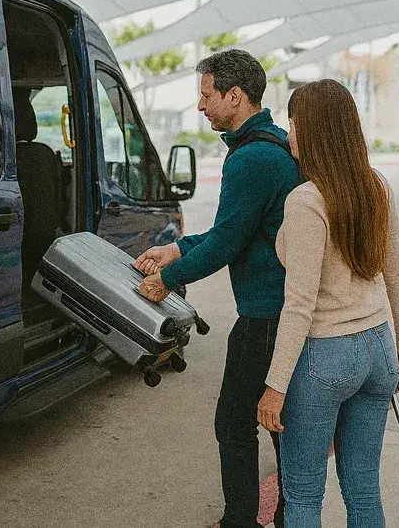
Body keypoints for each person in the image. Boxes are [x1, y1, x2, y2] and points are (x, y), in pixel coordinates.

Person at [134, 49, 301, 528]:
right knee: (277, 423)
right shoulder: (274, 146)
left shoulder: (250, 160)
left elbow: (229, 242)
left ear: (236, 95)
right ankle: (291, 515)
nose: (201, 106)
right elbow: (238, 229)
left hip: (266, 315)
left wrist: (164, 281)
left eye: (207, 95)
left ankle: (243, 521)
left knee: (236, 422)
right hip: (283, 310)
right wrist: (179, 250)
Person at [256, 79, 399, 528]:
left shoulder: (307, 200)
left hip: (325, 356)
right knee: (364, 489)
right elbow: (398, 274)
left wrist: (275, 386)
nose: (288, 135)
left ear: (314, 131)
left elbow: (300, 303)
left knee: (305, 494)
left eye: (292, 124)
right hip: (378, 351)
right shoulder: (375, 186)